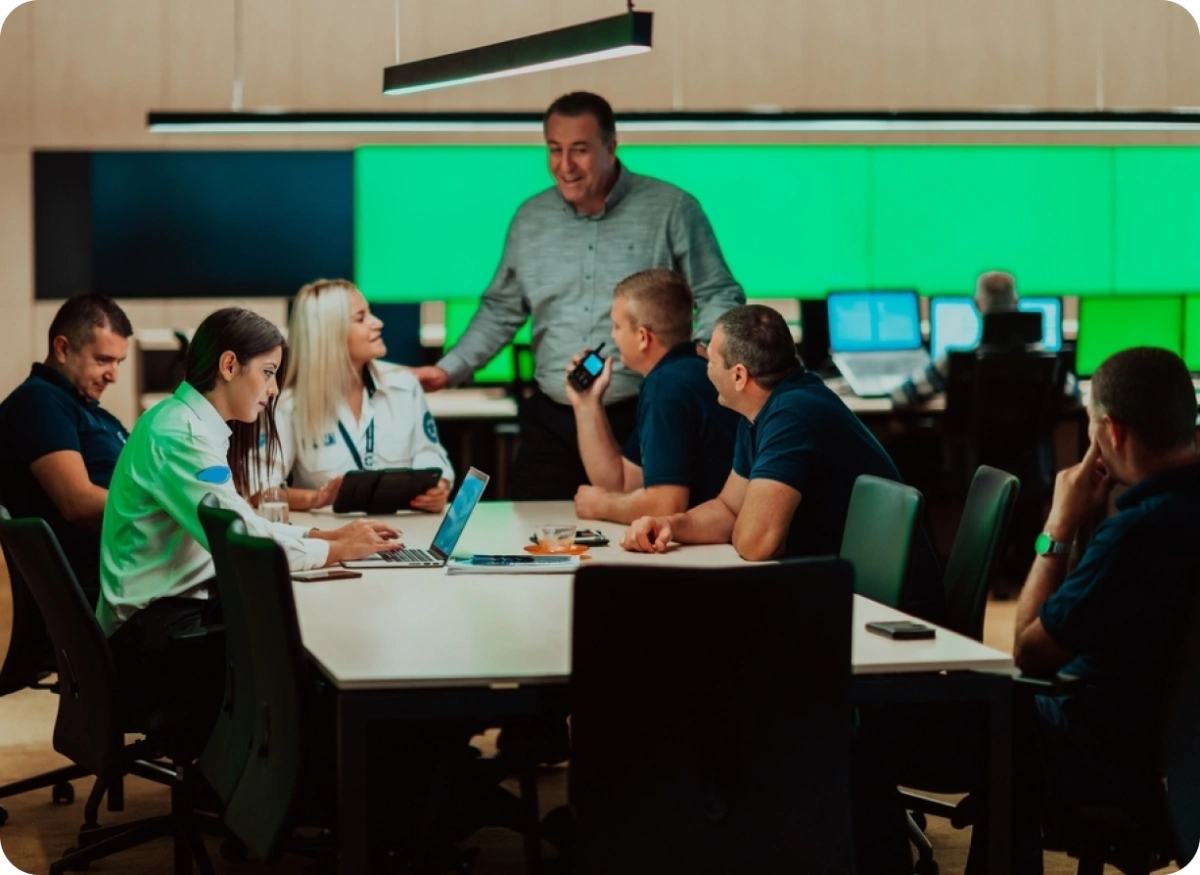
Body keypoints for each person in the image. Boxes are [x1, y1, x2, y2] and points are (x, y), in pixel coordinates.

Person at [411, 91, 745, 499]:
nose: (564, 166)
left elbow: (719, 292)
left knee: (636, 540)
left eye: (580, 150)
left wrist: (696, 355)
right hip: (553, 420)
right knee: (530, 539)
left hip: (642, 415)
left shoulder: (672, 209)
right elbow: (500, 310)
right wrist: (448, 370)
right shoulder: (530, 220)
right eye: (555, 150)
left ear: (610, 148)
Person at [98, 307, 400, 727]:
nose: (274, 389)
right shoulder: (181, 438)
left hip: (164, 621)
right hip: (153, 642)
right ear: (229, 365)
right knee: (306, 667)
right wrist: (333, 550)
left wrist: (322, 533)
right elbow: (242, 544)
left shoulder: (182, 423)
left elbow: (237, 518)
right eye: (269, 372)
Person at [999, 346, 1200, 874]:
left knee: (998, 706)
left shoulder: (1137, 535)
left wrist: (1059, 527)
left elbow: (1029, 652)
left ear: (1109, 432)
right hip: (1179, 751)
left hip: (1118, 754)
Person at [622, 304, 944, 623]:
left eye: (711, 359)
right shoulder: (764, 408)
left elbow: (757, 543)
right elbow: (728, 510)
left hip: (890, 615)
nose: (705, 364)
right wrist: (671, 525)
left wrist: (746, 525)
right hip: (851, 597)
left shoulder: (791, 415)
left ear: (739, 376)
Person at [566, 268, 739, 524]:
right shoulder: (687, 371)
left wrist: (601, 505)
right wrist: (586, 404)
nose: (612, 335)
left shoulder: (666, 386)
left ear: (643, 337)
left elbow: (667, 505)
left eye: (617, 326)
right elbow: (623, 483)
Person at [270, 279, 454, 512]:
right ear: (329, 333)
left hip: (404, 533)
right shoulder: (288, 406)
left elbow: (432, 457)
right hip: (331, 540)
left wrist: (439, 488)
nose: (377, 323)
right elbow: (260, 489)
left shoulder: (404, 386)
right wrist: (316, 499)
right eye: (361, 318)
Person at [0, 295, 133, 604]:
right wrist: (165, 509)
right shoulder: (38, 402)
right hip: (97, 589)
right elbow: (79, 502)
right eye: (103, 360)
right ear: (62, 348)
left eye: (118, 362)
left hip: (125, 572)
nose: (113, 375)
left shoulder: (89, 410)